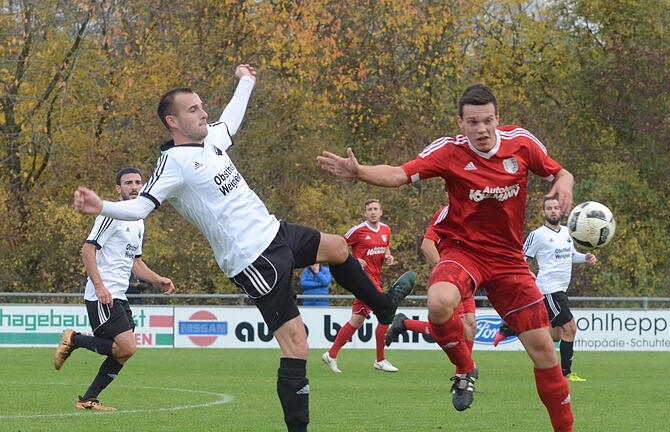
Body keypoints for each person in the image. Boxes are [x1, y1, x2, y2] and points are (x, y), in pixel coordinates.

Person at [72, 64, 415, 432]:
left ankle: (382, 306)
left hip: (275, 232)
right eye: (193, 110)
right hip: (252, 259)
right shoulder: (172, 163)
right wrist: (102, 205)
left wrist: (247, 80)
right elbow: (141, 206)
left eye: (202, 107)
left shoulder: (213, 138)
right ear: (172, 121)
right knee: (297, 346)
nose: (203, 113)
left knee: (339, 248)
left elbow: (232, 116)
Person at [318, 83, 575, 431]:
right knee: (439, 304)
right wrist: (359, 171)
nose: (481, 129)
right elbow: (399, 174)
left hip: (510, 261)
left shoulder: (522, 143)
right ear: (460, 123)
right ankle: (465, 367)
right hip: (463, 252)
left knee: (545, 352)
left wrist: (565, 181)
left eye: (487, 121)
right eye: (472, 122)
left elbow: (559, 171)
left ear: (498, 118)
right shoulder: (449, 151)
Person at [54, 167, 175, 411]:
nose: (134, 186)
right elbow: (88, 249)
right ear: (118, 189)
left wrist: (157, 279)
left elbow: (136, 262)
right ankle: (74, 339)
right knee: (127, 346)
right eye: (128, 183)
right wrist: (99, 286)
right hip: (102, 294)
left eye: (138, 182)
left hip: (119, 295)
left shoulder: (137, 220)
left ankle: (88, 399)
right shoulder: (111, 214)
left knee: (123, 352)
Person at [495, 197, 596, 381]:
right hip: (549, 289)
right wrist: (527, 274)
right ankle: (566, 374)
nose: (553, 211)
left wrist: (586, 258)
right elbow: (521, 257)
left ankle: (517, 328)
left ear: (561, 211)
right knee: (570, 328)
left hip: (561, 290)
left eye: (556, 208)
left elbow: (571, 255)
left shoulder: (567, 232)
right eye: (549, 208)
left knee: (557, 335)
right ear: (544, 212)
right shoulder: (538, 235)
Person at [386, 205, 478, 362]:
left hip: (467, 279)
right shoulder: (446, 212)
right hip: (451, 280)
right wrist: (446, 271)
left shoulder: (477, 214)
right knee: (456, 328)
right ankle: (464, 376)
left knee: (470, 326)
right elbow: (427, 245)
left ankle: (405, 323)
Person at [322, 199, 399, 373]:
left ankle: (331, 354)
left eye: (376, 209)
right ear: (365, 213)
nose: (373, 212)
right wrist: (355, 260)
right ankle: (380, 359)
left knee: (356, 321)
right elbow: (338, 247)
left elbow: (385, 249)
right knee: (386, 310)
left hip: (375, 279)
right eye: (369, 209)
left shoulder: (386, 229)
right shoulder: (357, 230)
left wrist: (388, 257)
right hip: (362, 280)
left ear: (381, 212)